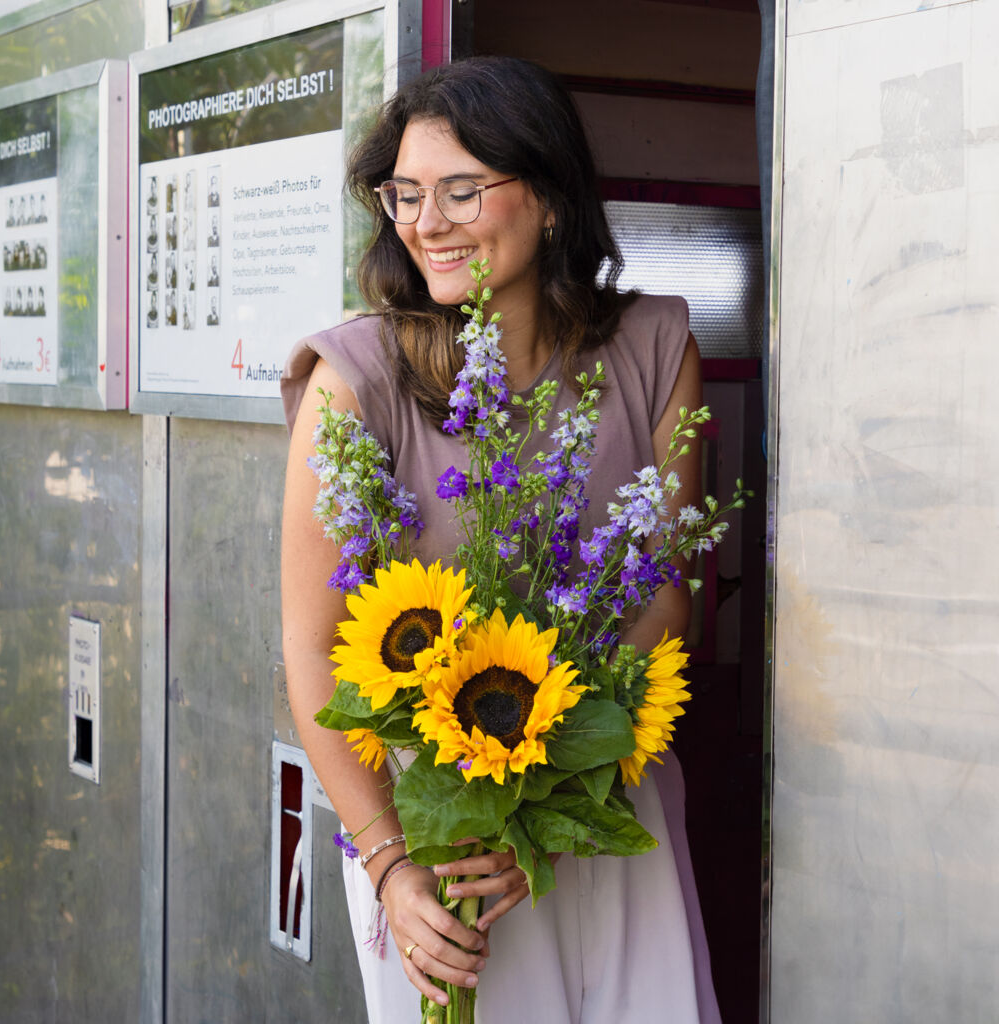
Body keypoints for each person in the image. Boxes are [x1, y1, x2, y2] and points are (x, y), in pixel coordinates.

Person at [280, 56, 720, 1024]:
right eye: (404, 193)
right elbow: (315, 652)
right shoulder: (353, 378)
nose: (425, 222)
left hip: (605, 810)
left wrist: (556, 802)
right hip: (432, 839)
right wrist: (393, 864)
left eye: (460, 190)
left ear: (552, 199)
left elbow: (665, 595)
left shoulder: (653, 348)